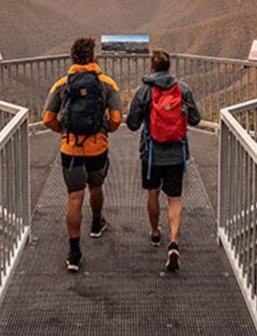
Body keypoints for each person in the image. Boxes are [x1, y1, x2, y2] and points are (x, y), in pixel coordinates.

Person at [42, 36, 122, 272]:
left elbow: (47, 118)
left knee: (74, 196)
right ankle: (96, 224)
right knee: (96, 187)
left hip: (71, 148)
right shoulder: (107, 83)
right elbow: (117, 120)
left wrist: (65, 131)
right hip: (97, 146)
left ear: (73, 58)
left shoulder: (62, 84)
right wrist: (103, 130)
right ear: (93, 57)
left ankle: (74, 252)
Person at [127, 49, 200, 272]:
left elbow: (131, 124)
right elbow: (196, 119)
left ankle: (155, 232)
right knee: (175, 198)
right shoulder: (183, 90)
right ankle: (174, 242)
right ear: (168, 67)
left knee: (153, 193)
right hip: (177, 154)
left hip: (151, 154)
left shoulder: (144, 91)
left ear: (151, 67)